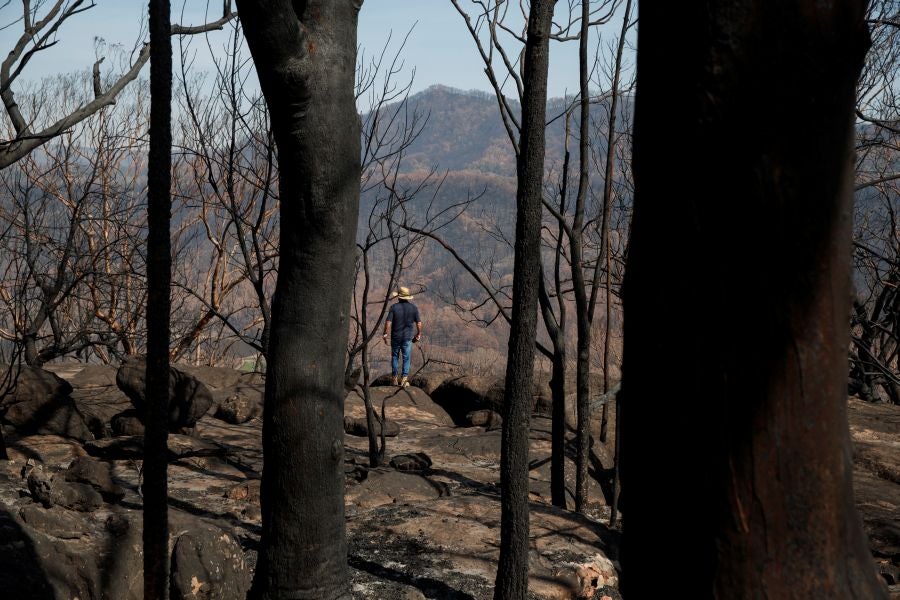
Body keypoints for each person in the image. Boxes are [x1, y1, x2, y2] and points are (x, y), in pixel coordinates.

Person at [382, 286, 422, 387]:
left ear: (399, 297)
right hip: (407, 338)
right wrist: (418, 334)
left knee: (395, 356)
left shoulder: (394, 307)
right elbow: (419, 323)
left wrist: (385, 333)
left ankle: (394, 379)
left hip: (395, 337)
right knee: (406, 358)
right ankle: (404, 380)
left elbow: (388, 322)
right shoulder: (413, 308)